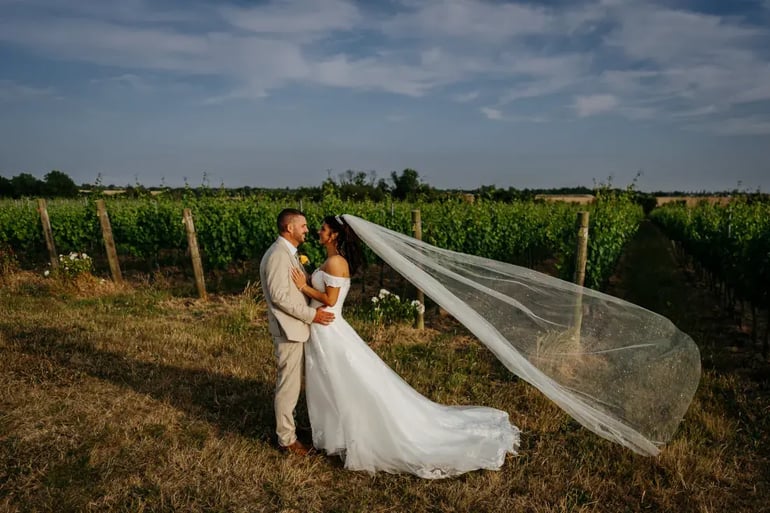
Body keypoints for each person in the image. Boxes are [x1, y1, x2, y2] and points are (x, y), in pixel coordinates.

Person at [289, 214, 520, 478]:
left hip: (329, 328)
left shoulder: (335, 262)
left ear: (334, 235)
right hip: (324, 330)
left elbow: (330, 300)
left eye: (323, 229)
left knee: (344, 383)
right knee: (332, 383)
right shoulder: (331, 261)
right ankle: (337, 435)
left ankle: (356, 435)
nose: (318, 232)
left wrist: (304, 287)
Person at [259, 208, 335, 456]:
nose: (307, 229)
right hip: (288, 330)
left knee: (294, 384)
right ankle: (286, 440)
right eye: (302, 225)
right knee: (288, 386)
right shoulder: (277, 256)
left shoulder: (289, 254)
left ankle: (289, 428)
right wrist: (313, 315)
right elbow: (280, 298)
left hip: (297, 329)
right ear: (289, 228)